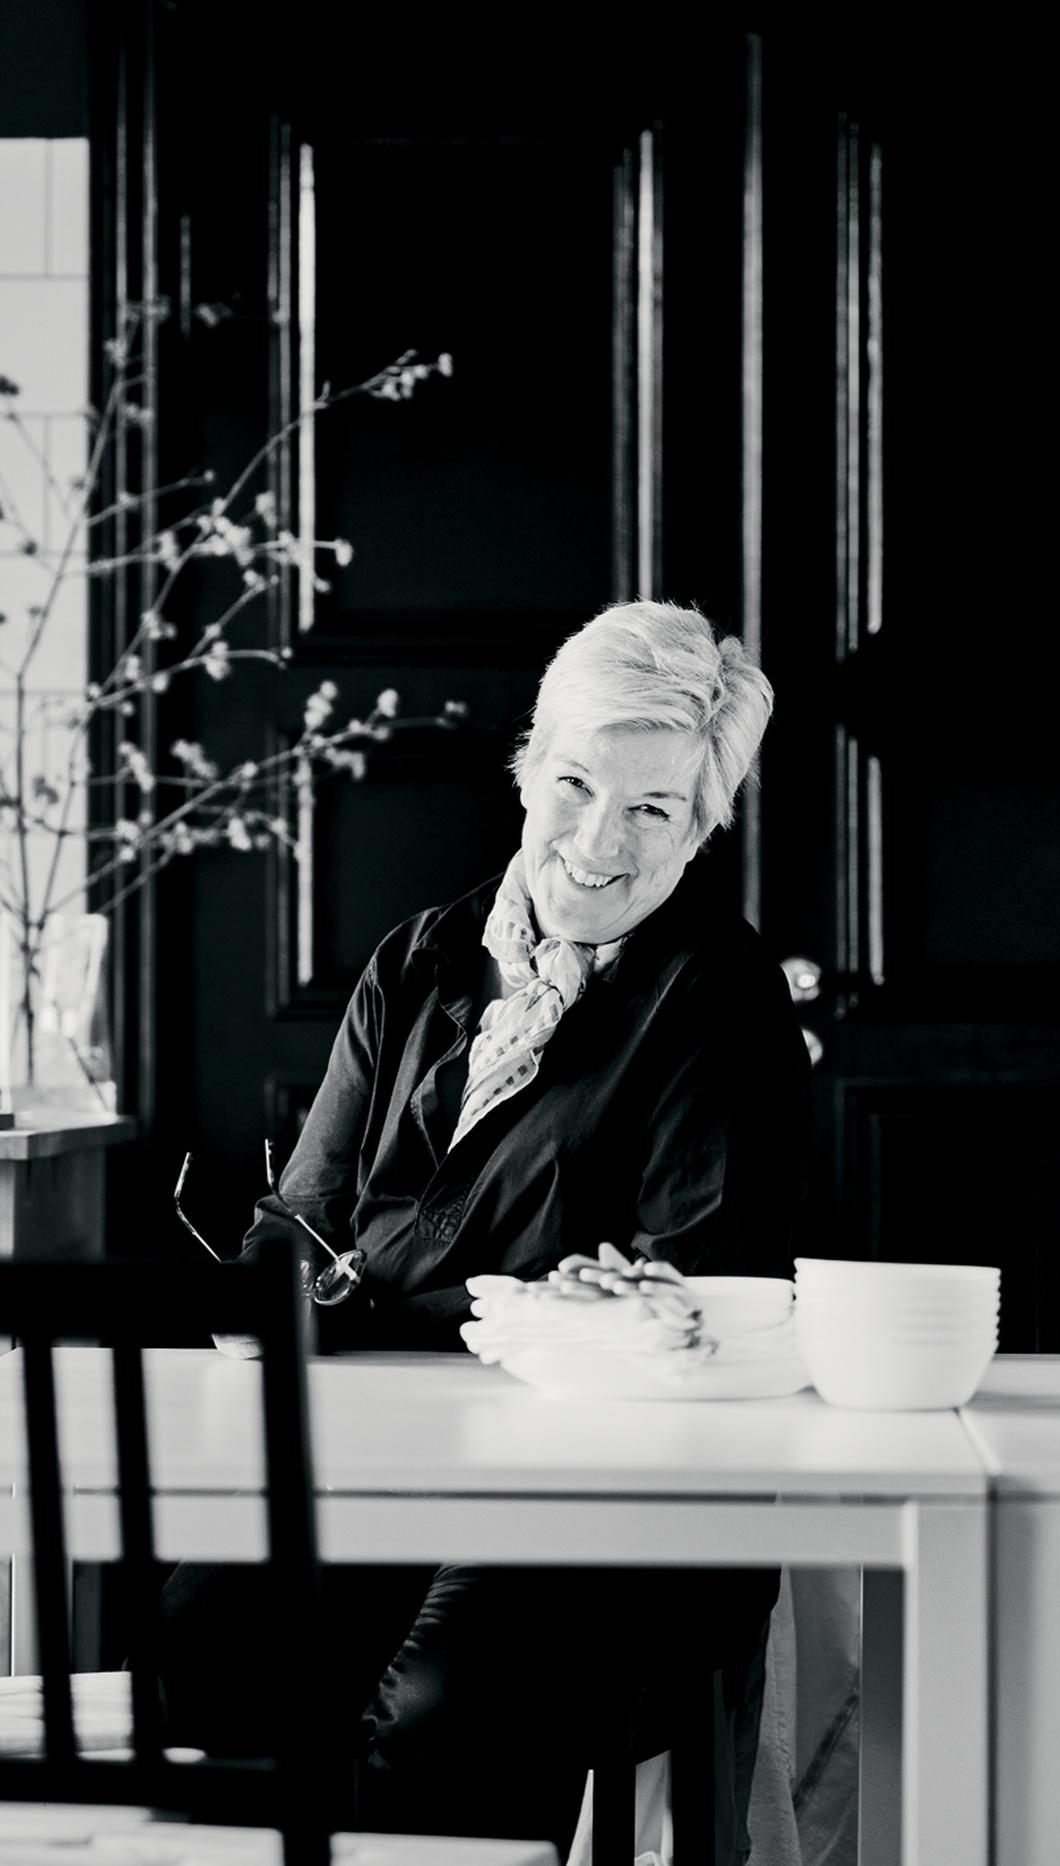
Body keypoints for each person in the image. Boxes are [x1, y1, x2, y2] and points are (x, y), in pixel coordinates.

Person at [155, 600, 813, 1860]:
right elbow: (295, 1224)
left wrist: (374, 1312)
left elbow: (685, 1304)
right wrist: (297, 1297)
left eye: (651, 811)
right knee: (207, 1634)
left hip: (607, 1490)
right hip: (377, 1456)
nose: (595, 842)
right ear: (529, 769)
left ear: (701, 827)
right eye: (572, 784)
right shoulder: (420, 959)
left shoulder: (720, 999)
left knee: (448, 1699)